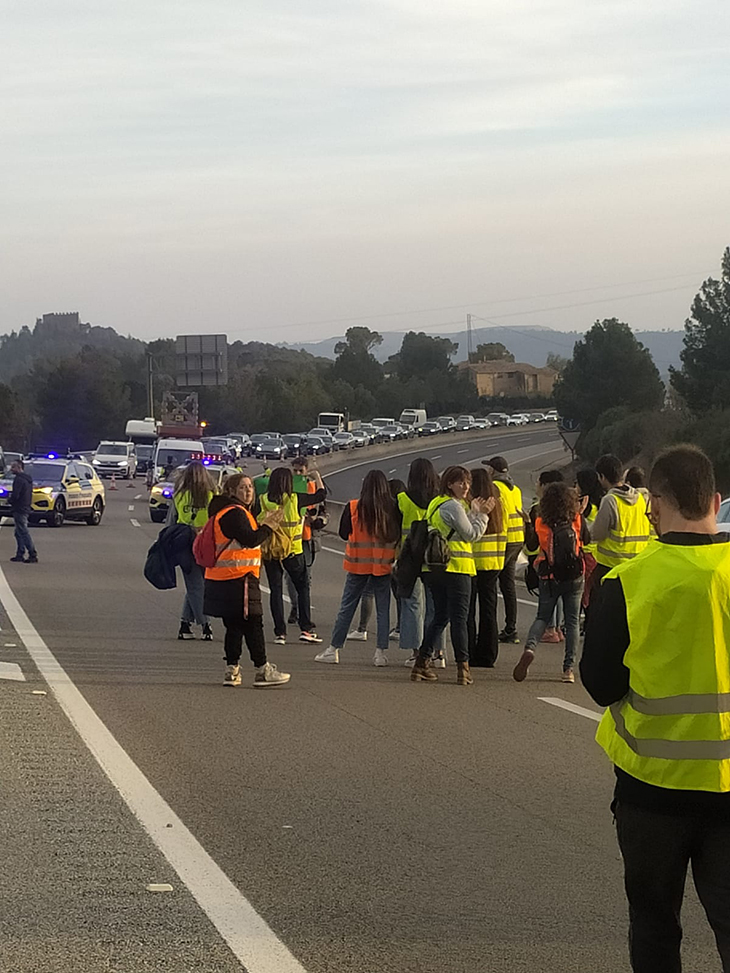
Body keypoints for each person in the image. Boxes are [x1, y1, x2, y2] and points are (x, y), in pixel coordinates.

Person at [581, 445, 730, 973]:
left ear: (655, 505)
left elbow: (600, 685)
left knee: (654, 924)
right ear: (714, 500)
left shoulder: (627, 582)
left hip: (653, 791)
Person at [203, 473, 290, 687]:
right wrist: (268, 526)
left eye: (250, 486)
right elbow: (251, 540)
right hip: (239, 577)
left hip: (225, 577)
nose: (249, 491)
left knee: (234, 625)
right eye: (242, 487)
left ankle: (232, 670)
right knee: (253, 623)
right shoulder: (235, 513)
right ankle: (262, 670)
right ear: (231, 491)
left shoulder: (224, 511)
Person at [411, 466, 493, 686]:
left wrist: (474, 512)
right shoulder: (454, 506)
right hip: (457, 568)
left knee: (440, 616)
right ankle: (463, 668)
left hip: (433, 570)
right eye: (460, 483)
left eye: (467, 482)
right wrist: (483, 515)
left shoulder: (434, 504)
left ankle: (421, 663)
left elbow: (456, 528)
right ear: (449, 484)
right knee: (459, 619)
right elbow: (471, 534)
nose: (465, 486)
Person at [315, 470, 401, 666]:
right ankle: (380, 654)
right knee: (383, 610)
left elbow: (344, 534)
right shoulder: (393, 508)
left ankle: (334, 649)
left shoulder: (353, 507)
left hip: (357, 565)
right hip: (383, 566)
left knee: (347, 607)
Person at [513, 482, 589, 684]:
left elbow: (530, 547)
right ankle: (568, 669)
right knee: (572, 621)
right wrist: (580, 513)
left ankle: (530, 648)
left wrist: (528, 525)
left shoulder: (540, 522)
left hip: (548, 576)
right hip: (575, 576)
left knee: (542, 617)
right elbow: (587, 540)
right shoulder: (576, 520)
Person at [257, 466, 326, 645]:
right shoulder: (295, 499)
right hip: (293, 550)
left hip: (271, 551)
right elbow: (320, 496)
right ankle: (305, 628)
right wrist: (317, 477)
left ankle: (280, 633)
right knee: (302, 587)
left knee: (275, 590)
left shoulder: (263, 500)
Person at [167, 461, 215, 641]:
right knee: (198, 585)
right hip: (206, 544)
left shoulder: (179, 496)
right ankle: (205, 624)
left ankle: (185, 624)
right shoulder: (212, 496)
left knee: (194, 585)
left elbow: (171, 521)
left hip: (184, 544)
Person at [591, 454, 651, 585]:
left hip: (611, 566)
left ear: (602, 477)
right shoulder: (639, 498)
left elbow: (598, 534)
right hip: (636, 564)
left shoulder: (610, 500)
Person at [468, 466, 506, 667]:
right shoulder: (498, 503)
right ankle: (488, 654)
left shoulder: (474, 505)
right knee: (489, 610)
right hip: (495, 562)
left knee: (468, 611)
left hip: (474, 562)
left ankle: (469, 651)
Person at [487, 456, 526, 644]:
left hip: (504, 540)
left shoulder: (495, 488)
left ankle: (492, 630)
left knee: (491, 584)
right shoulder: (515, 489)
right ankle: (511, 629)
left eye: (489, 469)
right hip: (517, 539)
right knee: (508, 585)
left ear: (493, 471)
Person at [524, 470, 565, 643]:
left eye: (538, 483)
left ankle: (549, 628)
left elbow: (534, 539)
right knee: (560, 593)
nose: (536, 486)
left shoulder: (539, 508)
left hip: (541, 555)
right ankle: (557, 628)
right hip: (562, 555)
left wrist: (526, 523)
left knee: (546, 593)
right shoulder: (566, 506)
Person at [286, 456, 320, 625]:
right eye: (295, 471)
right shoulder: (286, 487)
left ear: (307, 471)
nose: (298, 474)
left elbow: (323, 513)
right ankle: (295, 606)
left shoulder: (312, 488)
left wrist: (314, 520)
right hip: (290, 539)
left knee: (306, 577)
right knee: (290, 577)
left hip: (307, 538)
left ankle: (301, 610)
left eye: (301, 471)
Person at [575, 467, 604, 612]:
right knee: (591, 592)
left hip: (585, 554)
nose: (575, 487)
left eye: (577, 484)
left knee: (583, 593)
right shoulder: (601, 504)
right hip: (597, 554)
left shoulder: (587, 509)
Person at [9, 460, 38, 564]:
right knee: (18, 532)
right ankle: (20, 553)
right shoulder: (28, 479)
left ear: (19, 467)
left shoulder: (19, 480)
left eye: (13, 467)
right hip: (25, 507)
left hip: (19, 508)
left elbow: (16, 495)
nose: (11, 469)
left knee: (23, 531)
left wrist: (10, 500)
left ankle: (32, 553)